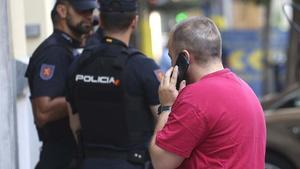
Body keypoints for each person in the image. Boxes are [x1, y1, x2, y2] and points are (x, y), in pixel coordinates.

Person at [149, 16, 266, 169]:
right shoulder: (245, 89)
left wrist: (167, 107)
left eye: (172, 58)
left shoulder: (195, 98)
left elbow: (160, 162)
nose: (171, 65)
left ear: (184, 58)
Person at [66, 0, 161, 169]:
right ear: (134, 22)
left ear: (100, 21)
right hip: (134, 162)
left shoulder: (78, 64)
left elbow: (75, 125)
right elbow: (164, 123)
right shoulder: (143, 67)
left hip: (90, 162)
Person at [25, 0, 98, 168]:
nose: (89, 16)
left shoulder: (71, 47)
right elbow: (43, 111)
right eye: (82, 11)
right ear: (62, 10)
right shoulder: (53, 52)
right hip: (60, 156)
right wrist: (89, 93)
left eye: (90, 11)